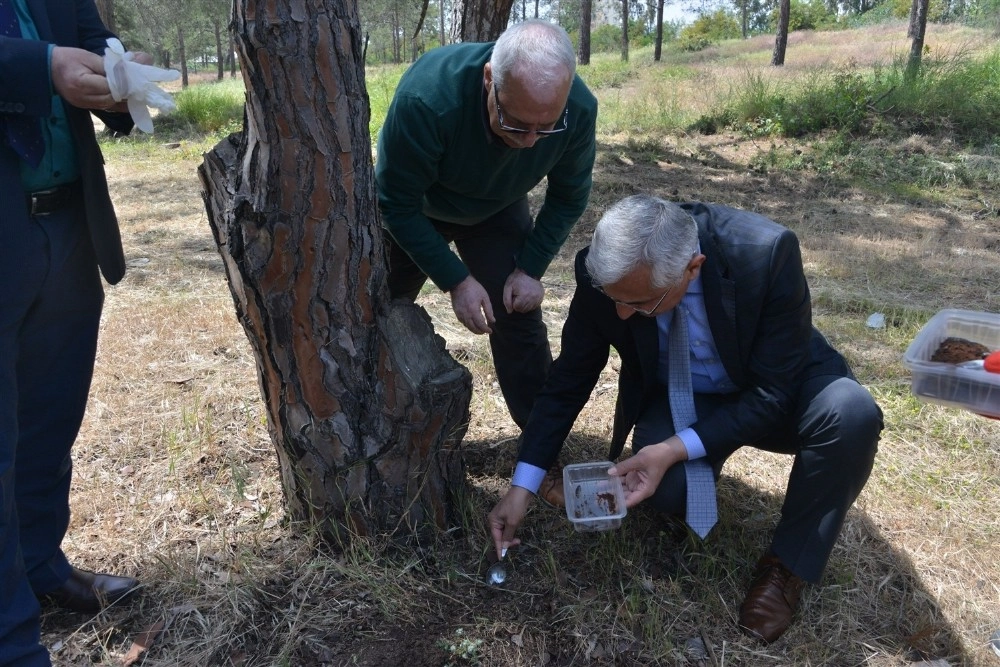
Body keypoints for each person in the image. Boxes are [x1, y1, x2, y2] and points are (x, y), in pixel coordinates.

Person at [488, 194, 883, 644]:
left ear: (692, 268)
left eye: (639, 303)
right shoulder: (605, 273)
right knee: (666, 492)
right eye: (614, 299)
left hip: (779, 386)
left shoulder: (765, 252)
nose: (620, 313)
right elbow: (569, 379)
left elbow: (772, 395)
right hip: (685, 393)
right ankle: (688, 478)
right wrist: (522, 484)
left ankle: (786, 567)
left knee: (851, 415)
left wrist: (673, 449)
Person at [1, 0, 150, 663]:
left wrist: (123, 76)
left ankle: (41, 567)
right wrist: (43, 67)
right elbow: (52, 62)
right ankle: (12, 639)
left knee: (47, 423)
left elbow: (92, 39)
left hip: (67, 225)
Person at [374, 19, 598, 429]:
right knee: (380, 310)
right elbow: (395, 203)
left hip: (497, 209)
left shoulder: (578, 110)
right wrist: (456, 279)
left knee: (516, 313)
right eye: (516, 123)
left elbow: (569, 196)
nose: (530, 141)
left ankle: (539, 444)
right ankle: (370, 417)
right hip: (419, 211)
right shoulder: (427, 99)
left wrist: (530, 268)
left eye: (545, 128)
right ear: (490, 78)